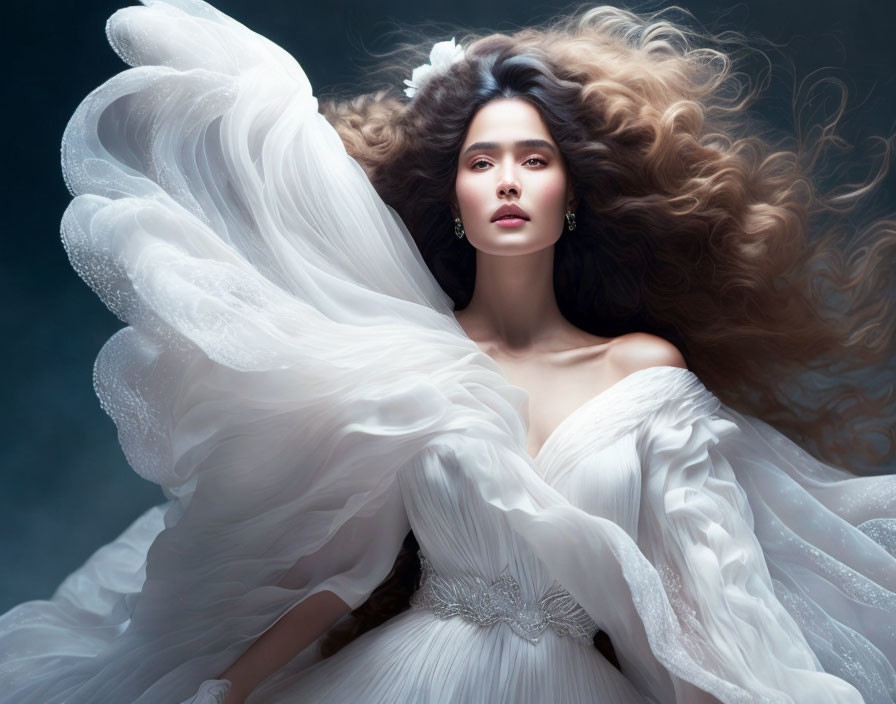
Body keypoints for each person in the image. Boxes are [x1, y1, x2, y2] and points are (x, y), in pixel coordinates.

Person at [1, 0, 894, 702]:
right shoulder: (414, 357)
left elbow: (700, 601)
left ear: (573, 194)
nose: (507, 179)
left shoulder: (642, 372)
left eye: (535, 160)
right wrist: (226, 687)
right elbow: (345, 566)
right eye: (481, 162)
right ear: (453, 196)